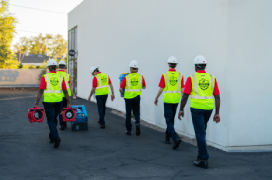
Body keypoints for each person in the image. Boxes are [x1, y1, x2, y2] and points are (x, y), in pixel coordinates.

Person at [178, 55, 221, 169]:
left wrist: (181, 109)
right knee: (202, 130)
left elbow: (185, 96)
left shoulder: (191, 78)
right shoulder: (212, 78)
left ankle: (204, 159)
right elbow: (217, 97)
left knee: (200, 133)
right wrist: (217, 113)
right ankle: (200, 154)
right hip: (209, 109)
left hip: (197, 109)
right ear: (204, 66)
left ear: (196, 67)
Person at [34, 59, 71, 148]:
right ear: (56, 68)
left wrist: (36, 103)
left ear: (49, 68)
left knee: (51, 120)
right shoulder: (60, 78)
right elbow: (65, 91)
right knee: (54, 119)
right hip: (58, 101)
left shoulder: (45, 77)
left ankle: (56, 137)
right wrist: (69, 103)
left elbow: (40, 91)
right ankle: (51, 137)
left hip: (48, 102)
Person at [154, 56, 184, 149]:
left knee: (168, 120)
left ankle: (175, 137)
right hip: (176, 100)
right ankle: (167, 138)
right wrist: (183, 103)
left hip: (167, 100)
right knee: (171, 119)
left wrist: (156, 97)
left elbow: (161, 89)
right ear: (175, 65)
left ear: (169, 65)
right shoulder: (180, 75)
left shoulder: (165, 75)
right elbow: (183, 90)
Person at [119, 60, 146, 136]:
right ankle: (137, 123)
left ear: (130, 68)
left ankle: (128, 130)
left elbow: (120, 88)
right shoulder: (141, 77)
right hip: (137, 97)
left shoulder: (126, 77)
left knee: (128, 113)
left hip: (128, 98)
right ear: (137, 69)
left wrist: (122, 94)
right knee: (136, 112)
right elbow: (144, 86)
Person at [57, 60, 77, 130]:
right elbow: (70, 86)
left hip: (58, 95)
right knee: (65, 109)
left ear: (58, 66)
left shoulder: (56, 75)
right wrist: (73, 94)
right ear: (64, 67)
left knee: (60, 110)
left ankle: (61, 124)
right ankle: (65, 123)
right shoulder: (67, 75)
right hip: (66, 95)